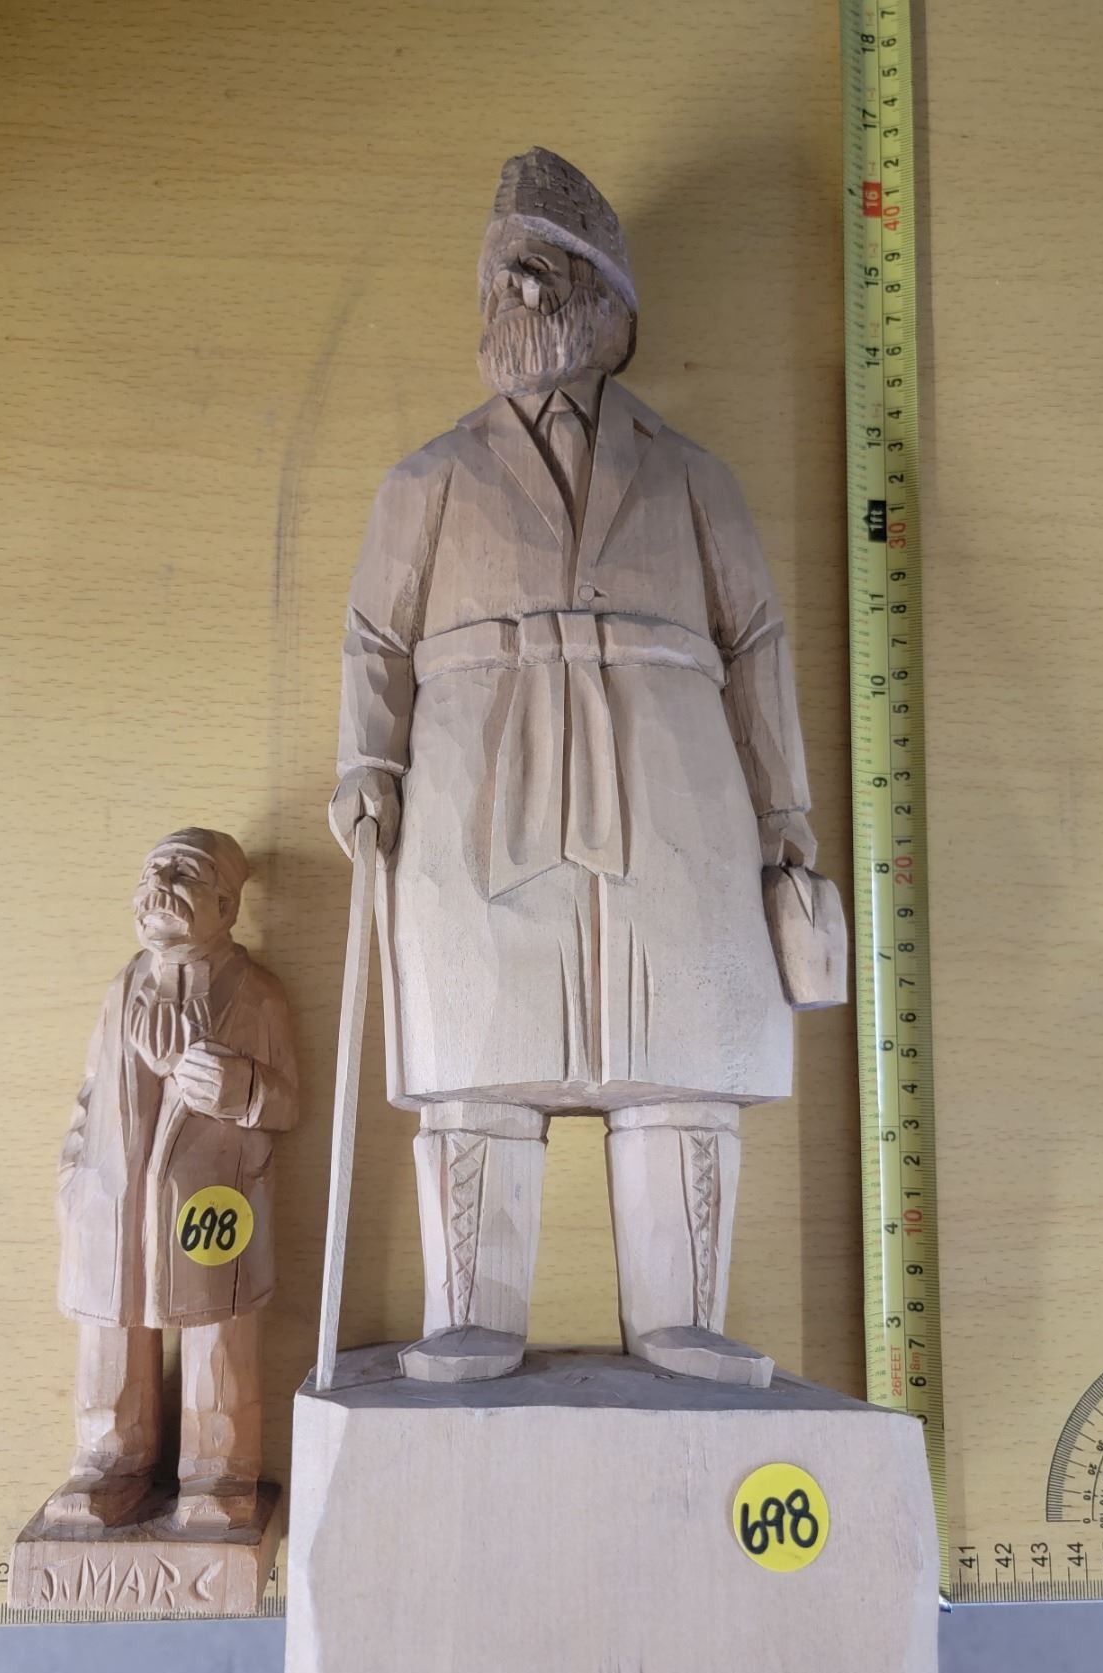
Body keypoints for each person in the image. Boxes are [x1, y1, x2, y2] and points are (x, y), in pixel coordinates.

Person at [329, 148, 821, 1385]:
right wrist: (367, 762)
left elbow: (758, 641)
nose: (522, 293)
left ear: (612, 301)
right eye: (504, 272)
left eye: (547, 269)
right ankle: (472, 1313)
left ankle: (679, 1316)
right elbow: (376, 636)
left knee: (680, 1046)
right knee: (481, 1045)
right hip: (477, 777)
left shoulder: (694, 476)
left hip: (671, 777)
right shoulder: (430, 478)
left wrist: (786, 808)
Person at [46, 827, 298, 1531]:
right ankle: (108, 1462)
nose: (158, 885)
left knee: (218, 1327)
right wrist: (74, 1176)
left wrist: (243, 1088)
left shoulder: (257, 995)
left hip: (212, 1203)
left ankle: (219, 1471)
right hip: (113, 1200)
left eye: (182, 873)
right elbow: (90, 1091)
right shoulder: (121, 989)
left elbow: (289, 1103)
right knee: (112, 1325)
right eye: (151, 871)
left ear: (227, 904)